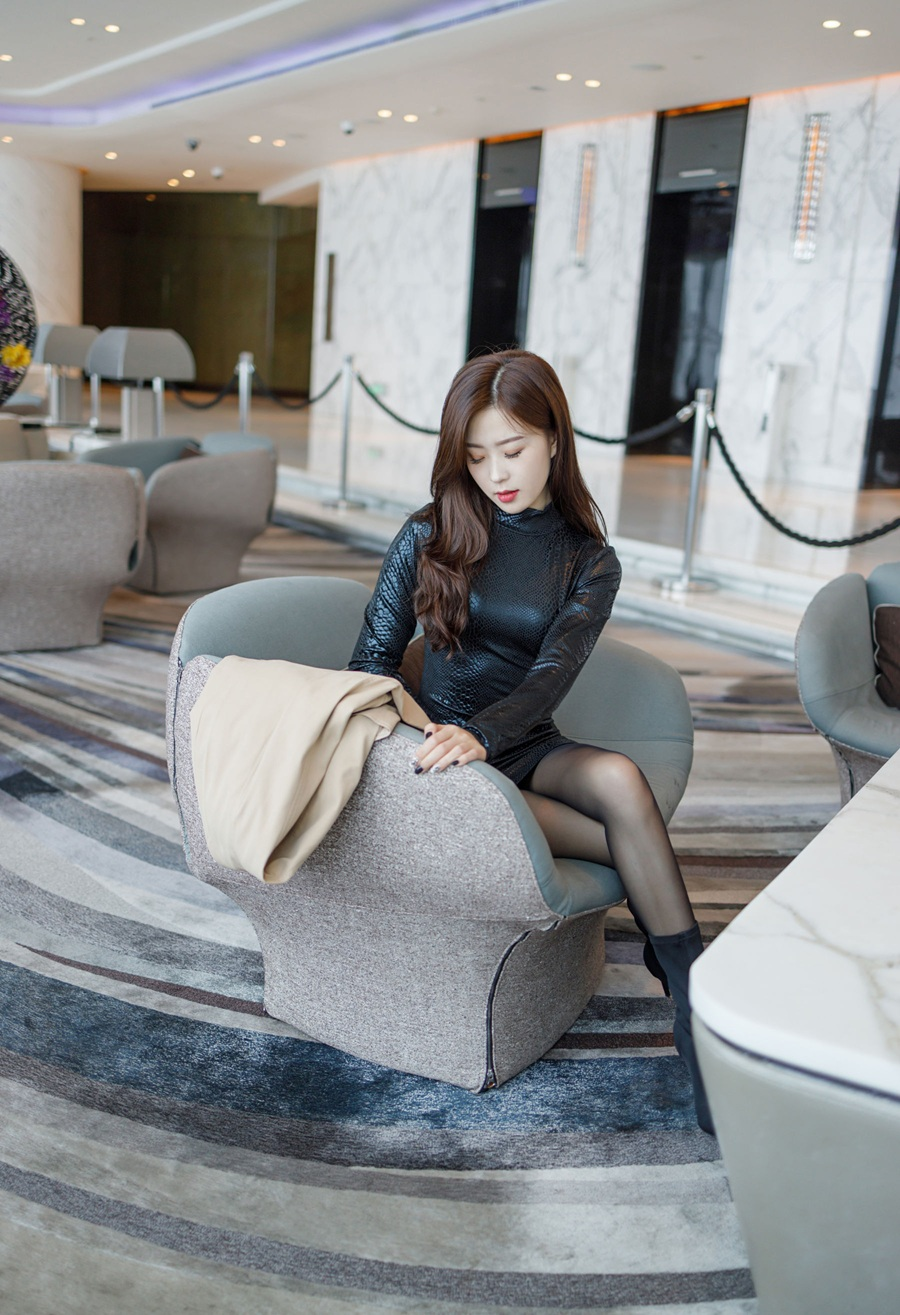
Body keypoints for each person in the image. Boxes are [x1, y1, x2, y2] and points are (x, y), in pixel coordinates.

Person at [349, 349, 712, 1133]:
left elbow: (551, 676)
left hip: (517, 738)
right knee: (633, 841)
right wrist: (418, 740)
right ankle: (691, 985)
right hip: (439, 754)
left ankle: (690, 994)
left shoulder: (589, 559)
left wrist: (487, 734)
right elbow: (370, 661)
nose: (495, 474)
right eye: (477, 456)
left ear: (553, 436)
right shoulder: (429, 532)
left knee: (620, 779)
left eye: (512, 450)